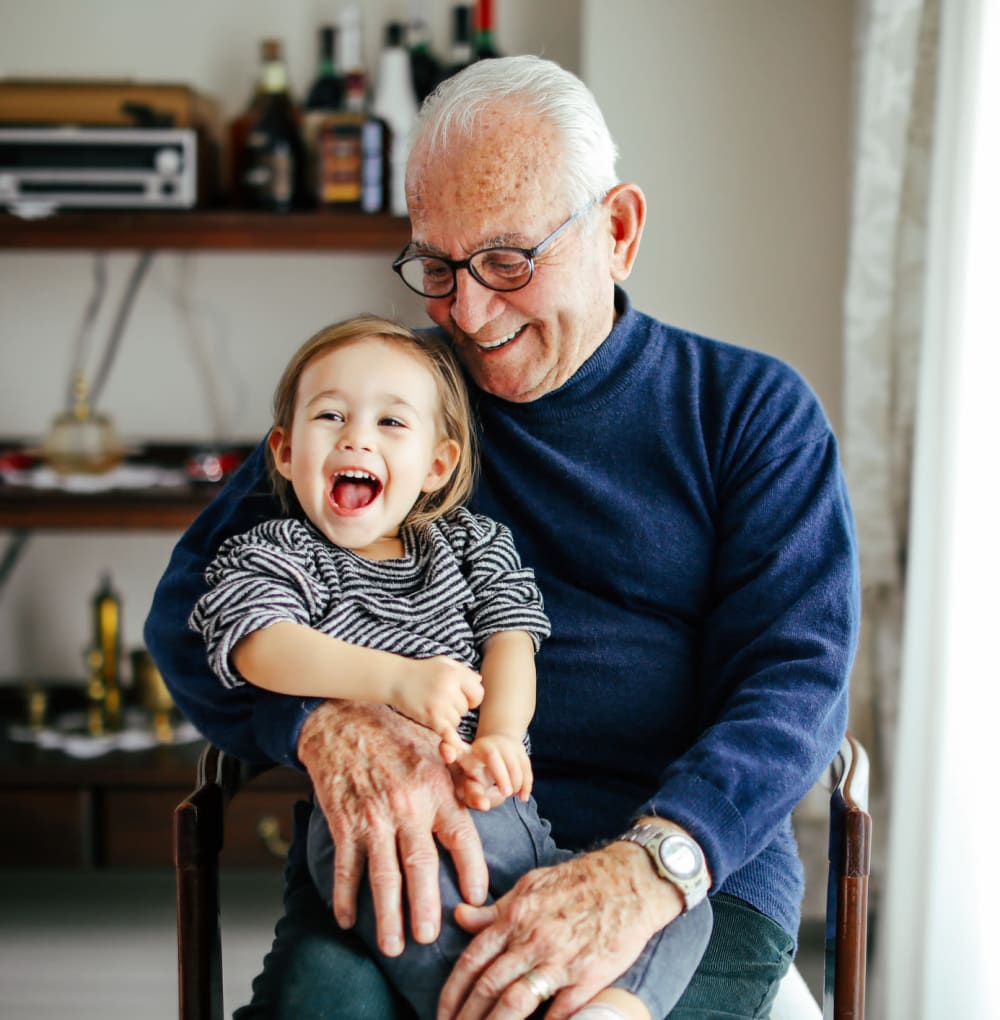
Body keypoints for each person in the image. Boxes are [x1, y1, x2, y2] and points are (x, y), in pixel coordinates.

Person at [145, 55, 859, 1020]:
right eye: (436, 266)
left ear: (617, 231)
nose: (468, 315)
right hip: (418, 849)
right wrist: (321, 721)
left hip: (676, 869)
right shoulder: (392, 407)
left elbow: (796, 682)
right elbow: (194, 611)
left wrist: (646, 872)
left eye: (508, 262)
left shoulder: (748, 412)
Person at [187, 315, 710, 1020]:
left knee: (681, 907)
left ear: (437, 464)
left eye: (390, 423)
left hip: (509, 818)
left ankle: (610, 1009)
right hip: (378, 825)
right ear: (283, 451)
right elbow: (259, 643)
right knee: (413, 909)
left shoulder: (470, 544)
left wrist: (499, 733)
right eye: (331, 415)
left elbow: (513, 640)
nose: (356, 437)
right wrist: (394, 681)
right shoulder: (279, 552)